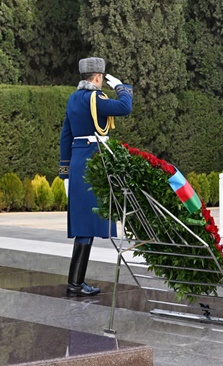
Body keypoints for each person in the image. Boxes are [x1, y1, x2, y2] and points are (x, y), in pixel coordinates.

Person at [59, 57, 133, 296]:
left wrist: (65, 173)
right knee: (87, 226)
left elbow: (65, 136)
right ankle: (75, 284)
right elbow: (125, 107)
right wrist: (121, 87)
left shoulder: (73, 99)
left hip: (79, 163)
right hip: (95, 163)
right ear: (98, 77)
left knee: (85, 226)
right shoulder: (96, 98)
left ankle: (76, 282)